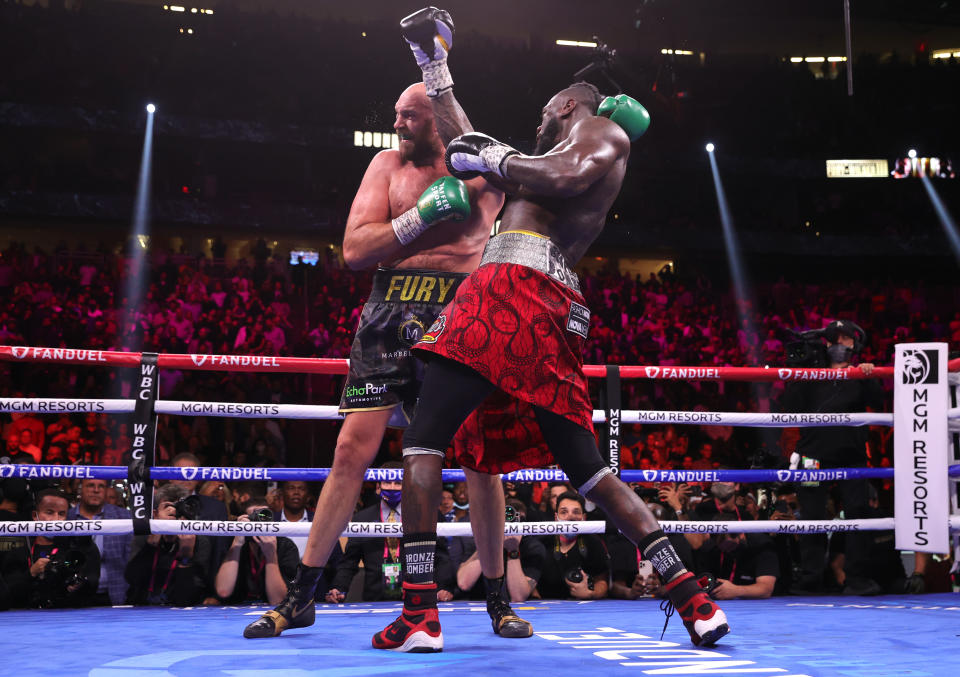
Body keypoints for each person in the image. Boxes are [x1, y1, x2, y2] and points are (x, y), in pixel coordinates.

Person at [372, 7, 726, 653]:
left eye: (544, 113)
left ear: (567, 102)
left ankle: (420, 613)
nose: (537, 123)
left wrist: (501, 154)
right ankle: (693, 598)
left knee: (423, 448)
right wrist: (435, 67)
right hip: (545, 304)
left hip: (512, 289)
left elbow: (550, 170)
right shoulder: (552, 156)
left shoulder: (598, 133)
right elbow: (474, 146)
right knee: (588, 467)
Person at [242, 75, 517, 640]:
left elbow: (484, 198)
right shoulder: (385, 169)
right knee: (349, 449)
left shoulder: (482, 164)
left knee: (478, 461)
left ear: (438, 119)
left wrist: (441, 77)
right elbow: (354, 250)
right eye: (396, 114)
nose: (396, 124)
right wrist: (418, 218)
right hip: (388, 311)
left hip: (460, 313)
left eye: (408, 116)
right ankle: (301, 597)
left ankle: (498, 601)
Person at [778, 319, 884, 593]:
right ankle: (811, 579)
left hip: (852, 456)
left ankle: (856, 578)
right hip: (813, 455)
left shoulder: (860, 374)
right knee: (812, 517)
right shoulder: (813, 374)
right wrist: (798, 373)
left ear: (854, 343)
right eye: (833, 338)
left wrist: (868, 375)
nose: (838, 343)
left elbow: (879, 403)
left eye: (844, 338)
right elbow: (790, 407)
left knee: (858, 514)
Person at [327, 469, 455, 603]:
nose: (393, 488)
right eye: (388, 482)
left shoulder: (426, 514)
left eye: (398, 483)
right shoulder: (363, 517)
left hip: (417, 594)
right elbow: (350, 560)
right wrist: (338, 587)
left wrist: (444, 587)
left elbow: (441, 557)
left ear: (407, 487)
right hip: (375, 598)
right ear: (378, 487)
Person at [125, 485, 213, 606]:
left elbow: (188, 598)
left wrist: (185, 557)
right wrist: (151, 545)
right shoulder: (144, 537)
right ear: (155, 514)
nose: (174, 511)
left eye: (179, 507)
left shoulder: (198, 541)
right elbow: (132, 579)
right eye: (168, 506)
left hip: (180, 610)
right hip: (142, 607)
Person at [215, 497, 299, 606]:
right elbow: (223, 591)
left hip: (272, 611)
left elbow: (278, 600)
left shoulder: (286, 546)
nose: (260, 524)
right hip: (235, 610)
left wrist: (271, 556)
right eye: (254, 518)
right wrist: (237, 544)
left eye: (265, 517)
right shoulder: (231, 542)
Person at [67, 478, 132, 605]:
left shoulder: (123, 516)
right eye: (91, 485)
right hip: (75, 596)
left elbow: (131, 556)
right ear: (81, 489)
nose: (96, 490)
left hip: (115, 594)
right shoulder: (68, 517)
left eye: (101, 486)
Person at [535, 492, 609, 600]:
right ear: (556, 517)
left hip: (584, 607)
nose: (570, 517)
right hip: (546, 607)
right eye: (564, 512)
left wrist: (590, 594)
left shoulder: (593, 542)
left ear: (583, 517)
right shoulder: (542, 542)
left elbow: (602, 582)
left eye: (576, 512)